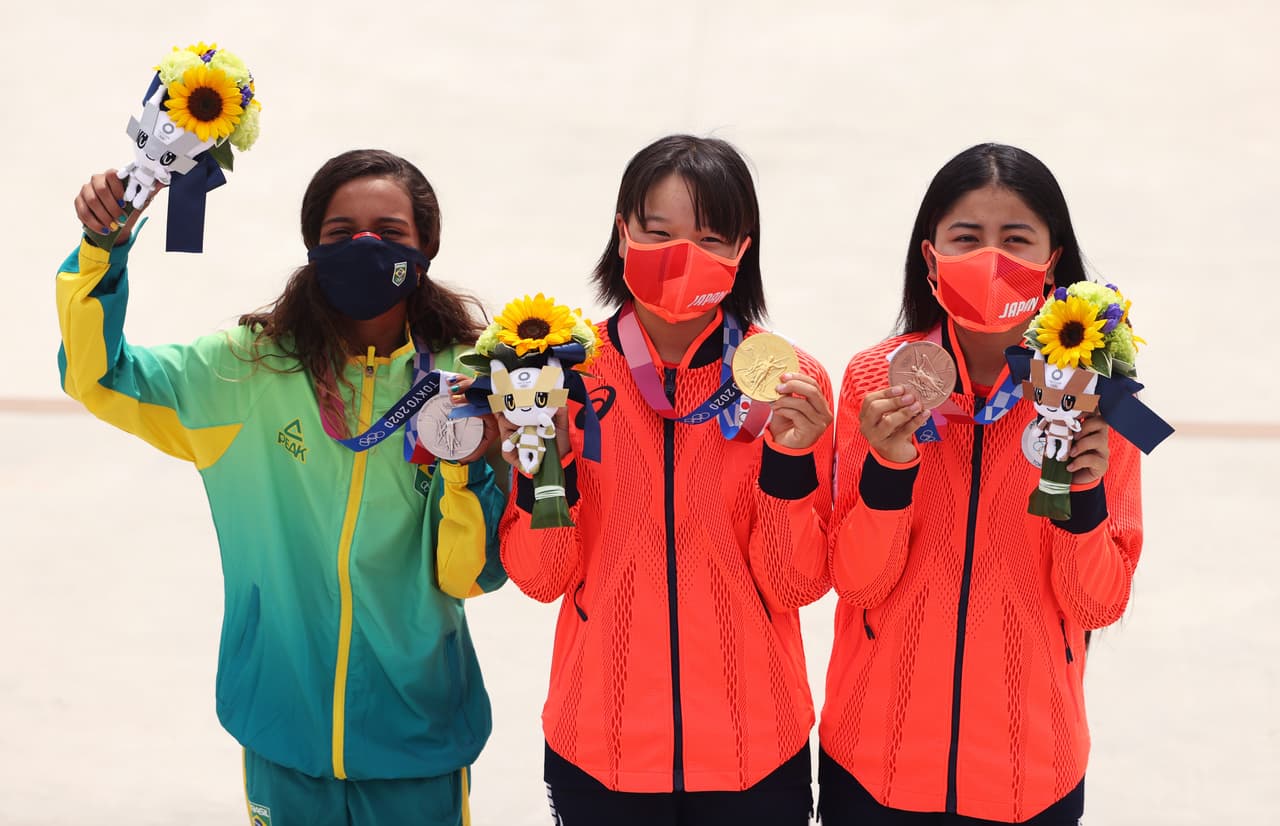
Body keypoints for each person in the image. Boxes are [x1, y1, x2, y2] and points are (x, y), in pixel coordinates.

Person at [58, 149, 507, 826]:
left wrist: (467, 465)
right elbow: (100, 377)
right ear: (312, 247)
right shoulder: (243, 373)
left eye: (388, 234)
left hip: (418, 736)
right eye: (340, 233)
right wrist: (103, 249)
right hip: (281, 725)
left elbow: (471, 575)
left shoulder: (469, 382)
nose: (363, 246)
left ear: (427, 247)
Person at [498, 134, 834, 826]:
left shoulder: (790, 384)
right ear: (623, 234)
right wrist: (548, 469)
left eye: (711, 238)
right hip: (599, 745)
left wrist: (789, 462)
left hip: (756, 750)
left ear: (744, 250)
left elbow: (796, 583)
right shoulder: (560, 377)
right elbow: (539, 577)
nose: (684, 256)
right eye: (659, 232)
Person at [818, 143, 1143, 825]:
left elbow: (1098, 605)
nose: (991, 258)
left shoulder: (1096, 397)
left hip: (1034, 773)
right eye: (967, 238)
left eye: (1016, 239)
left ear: (1053, 258)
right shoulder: (875, 382)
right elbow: (855, 581)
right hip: (874, 765)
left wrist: (1084, 503)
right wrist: (889, 473)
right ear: (930, 253)